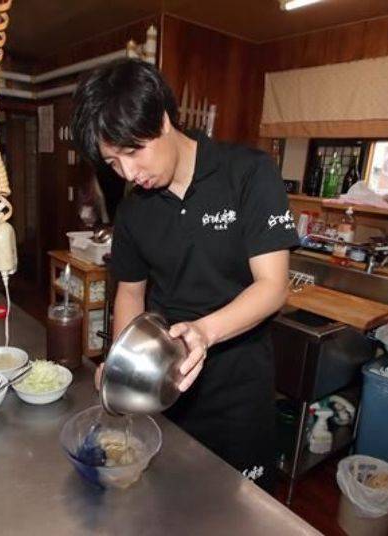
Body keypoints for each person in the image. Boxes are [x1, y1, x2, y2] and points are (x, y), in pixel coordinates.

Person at [71, 59, 298, 491]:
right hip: (164, 382)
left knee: (239, 509)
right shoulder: (134, 208)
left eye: (133, 152)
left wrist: (204, 332)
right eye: (113, 162)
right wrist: (120, 367)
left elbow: (272, 288)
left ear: (162, 118)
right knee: (171, 500)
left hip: (238, 385)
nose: (129, 174)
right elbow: (130, 295)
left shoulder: (247, 173)